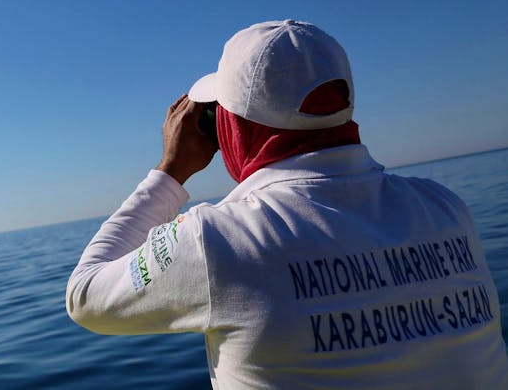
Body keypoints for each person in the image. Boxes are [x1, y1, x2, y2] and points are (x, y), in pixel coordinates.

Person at [65, 20, 508, 388]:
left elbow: (85, 295)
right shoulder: (446, 208)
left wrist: (170, 171)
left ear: (233, 127)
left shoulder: (217, 241)